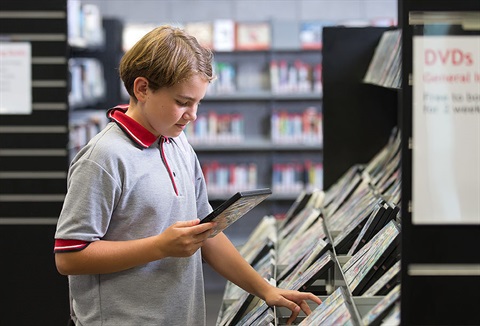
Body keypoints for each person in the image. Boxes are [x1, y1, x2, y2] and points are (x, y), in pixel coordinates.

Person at [54, 25, 321, 325]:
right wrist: (160, 247)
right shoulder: (103, 158)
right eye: (182, 102)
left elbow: (207, 234)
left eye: (198, 103)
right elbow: (69, 257)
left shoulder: (177, 141)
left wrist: (265, 290)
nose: (193, 115)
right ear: (142, 89)